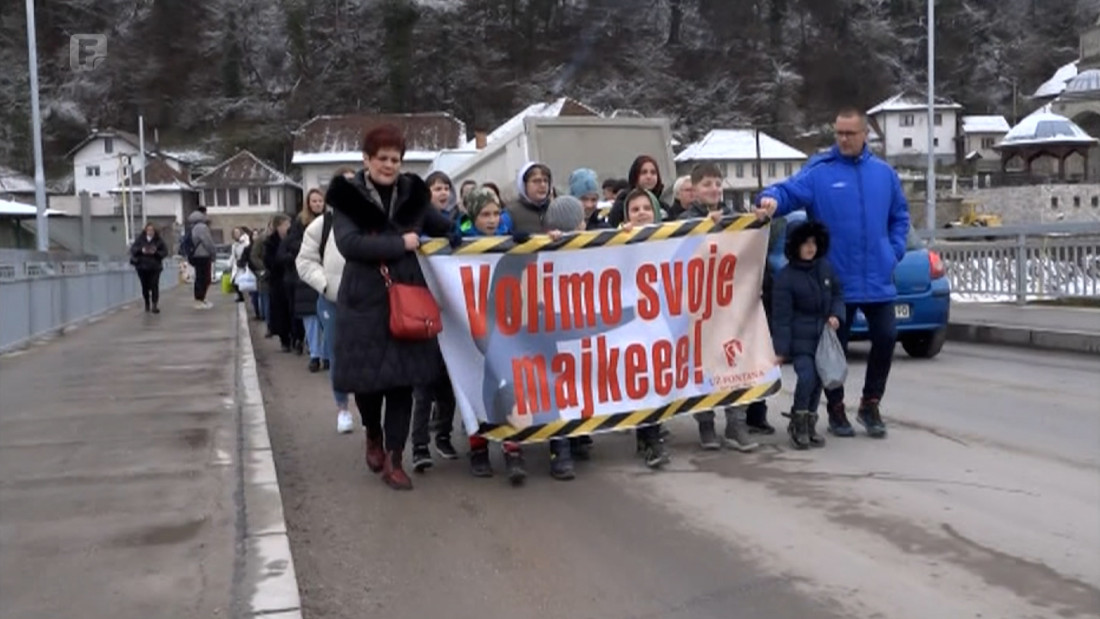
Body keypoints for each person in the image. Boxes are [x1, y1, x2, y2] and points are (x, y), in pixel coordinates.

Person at [757, 107, 910, 439]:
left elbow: (899, 216)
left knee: (885, 338)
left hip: (878, 279)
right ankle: (836, 409)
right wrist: (770, 199)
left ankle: (871, 403)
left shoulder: (884, 174)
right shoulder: (820, 172)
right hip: (835, 282)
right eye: (838, 132)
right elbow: (787, 192)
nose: (843, 139)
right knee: (831, 350)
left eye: (850, 133)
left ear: (864, 134)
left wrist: (893, 251)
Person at [325, 124, 458, 491]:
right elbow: (350, 245)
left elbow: (446, 227)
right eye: (381, 158)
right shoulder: (347, 198)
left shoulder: (414, 194)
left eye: (395, 159)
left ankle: (395, 459)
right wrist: (401, 243)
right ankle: (372, 434)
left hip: (407, 301)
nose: (388, 165)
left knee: (402, 383)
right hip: (364, 302)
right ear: (367, 160)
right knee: (368, 384)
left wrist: (477, 236)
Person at [679, 163, 759, 452]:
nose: (713, 189)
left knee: (736, 361)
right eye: (706, 184)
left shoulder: (734, 217)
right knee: (705, 366)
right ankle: (706, 423)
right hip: (700, 306)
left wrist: (760, 222)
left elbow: (754, 248)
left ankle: (737, 423)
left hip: (731, 303)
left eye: (717, 183)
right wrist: (702, 227)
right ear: (695, 189)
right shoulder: (684, 221)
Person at [772, 220, 843, 449]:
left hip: (822, 338)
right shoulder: (785, 277)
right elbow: (781, 317)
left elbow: (838, 294)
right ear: (795, 246)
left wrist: (835, 314)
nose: (810, 248)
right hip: (800, 340)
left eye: (813, 242)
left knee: (819, 381)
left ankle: (809, 422)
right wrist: (781, 350)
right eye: (805, 243)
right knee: (807, 378)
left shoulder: (825, 268)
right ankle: (798, 421)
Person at [296, 190, 355, 433]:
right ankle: (343, 408)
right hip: (332, 301)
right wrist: (326, 285)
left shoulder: (371, 223)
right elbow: (305, 261)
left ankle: (372, 411)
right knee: (337, 355)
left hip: (366, 300)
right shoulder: (321, 225)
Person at [282, 190, 325, 371]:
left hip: (326, 271)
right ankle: (315, 354)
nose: (317, 204)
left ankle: (327, 354)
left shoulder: (330, 220)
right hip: (307, 275)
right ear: (308, 203)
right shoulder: (300, 222)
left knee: (326, 318)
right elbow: (290, 244)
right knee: (311, 318)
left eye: (320, 201)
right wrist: (310, 249)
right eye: (313, 201)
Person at [607, 156, 671, 227]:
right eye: (644, 172)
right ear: (635, 175)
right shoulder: (621, 204)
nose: (649, 176)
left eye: (653, 172)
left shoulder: (664, 207)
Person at [264, 214, 294, 352]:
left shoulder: (292, 239)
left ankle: (294, 337)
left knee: (292, 310)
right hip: (277, 280)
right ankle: (284, 340)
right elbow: (268, 261)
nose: (288, 227)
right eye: (285, 224)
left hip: (291, 278)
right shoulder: (270, 242)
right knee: (280, 311)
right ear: (278, 226)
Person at [130, 223, 168, 313]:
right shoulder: (140, 239)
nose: (150, 232)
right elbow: (133, 250)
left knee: (154, 285)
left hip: (155, 267)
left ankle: (154, 305)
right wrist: (142, 250)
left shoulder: (159, 240)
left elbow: (165, 252)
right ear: (145, 231)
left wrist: (155, 252)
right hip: (142, 267)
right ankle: (147, 302)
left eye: (152, 230)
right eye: (148, 230)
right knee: (145, 286)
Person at [507, 162, 554, 233]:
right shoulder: (510, 213)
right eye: (536, 181)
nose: (543, 185)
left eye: (546, 181)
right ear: (524, 185)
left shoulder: (556, 209)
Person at [187, 209, 217, 309]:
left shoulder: (193, 226)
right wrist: (213, 253)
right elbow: (207, 241)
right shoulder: (202, 227)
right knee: (205, 278)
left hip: (195, 255)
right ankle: (199, 299)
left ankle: (200, 298)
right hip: (203, 255)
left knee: (200, 277)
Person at [230, 227, 251, 303]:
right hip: (237, 265)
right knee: (235, 282)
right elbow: (233, 255)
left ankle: (245, 297)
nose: (236, 234)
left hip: (244, 264)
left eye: (238, 232)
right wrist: (230, 264)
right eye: (235, 233)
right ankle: (241, 296)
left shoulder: (245, 242)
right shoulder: (234, 245)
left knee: (245, 281)